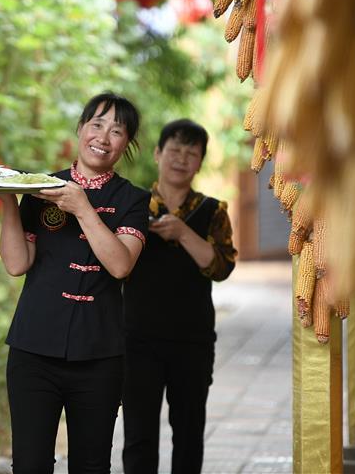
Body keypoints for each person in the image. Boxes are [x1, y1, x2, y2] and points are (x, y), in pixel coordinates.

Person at [0, 92, 151, 474]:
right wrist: (5, 199)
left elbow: (120, 266)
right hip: (33, 351)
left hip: (99, 355)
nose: (104, 136)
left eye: (117, 131)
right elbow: (17, 264)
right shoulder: (40, 188)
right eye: (96, 124)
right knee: (29, 466)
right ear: (81, 129)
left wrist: (83, 207)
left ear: (126, 145)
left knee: (91, 465)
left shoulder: (134, 200)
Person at [121, 119, 237, 474]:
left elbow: (220, 267)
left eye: (191, 153)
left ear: (200, 163)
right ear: (157, 154)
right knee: (138, 436)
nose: (181, 159)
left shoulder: (213, 211)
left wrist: (184, 233)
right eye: (174, 150)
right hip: (136, 339)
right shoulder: (132, 205)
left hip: (192, 340)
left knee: (188, 433)